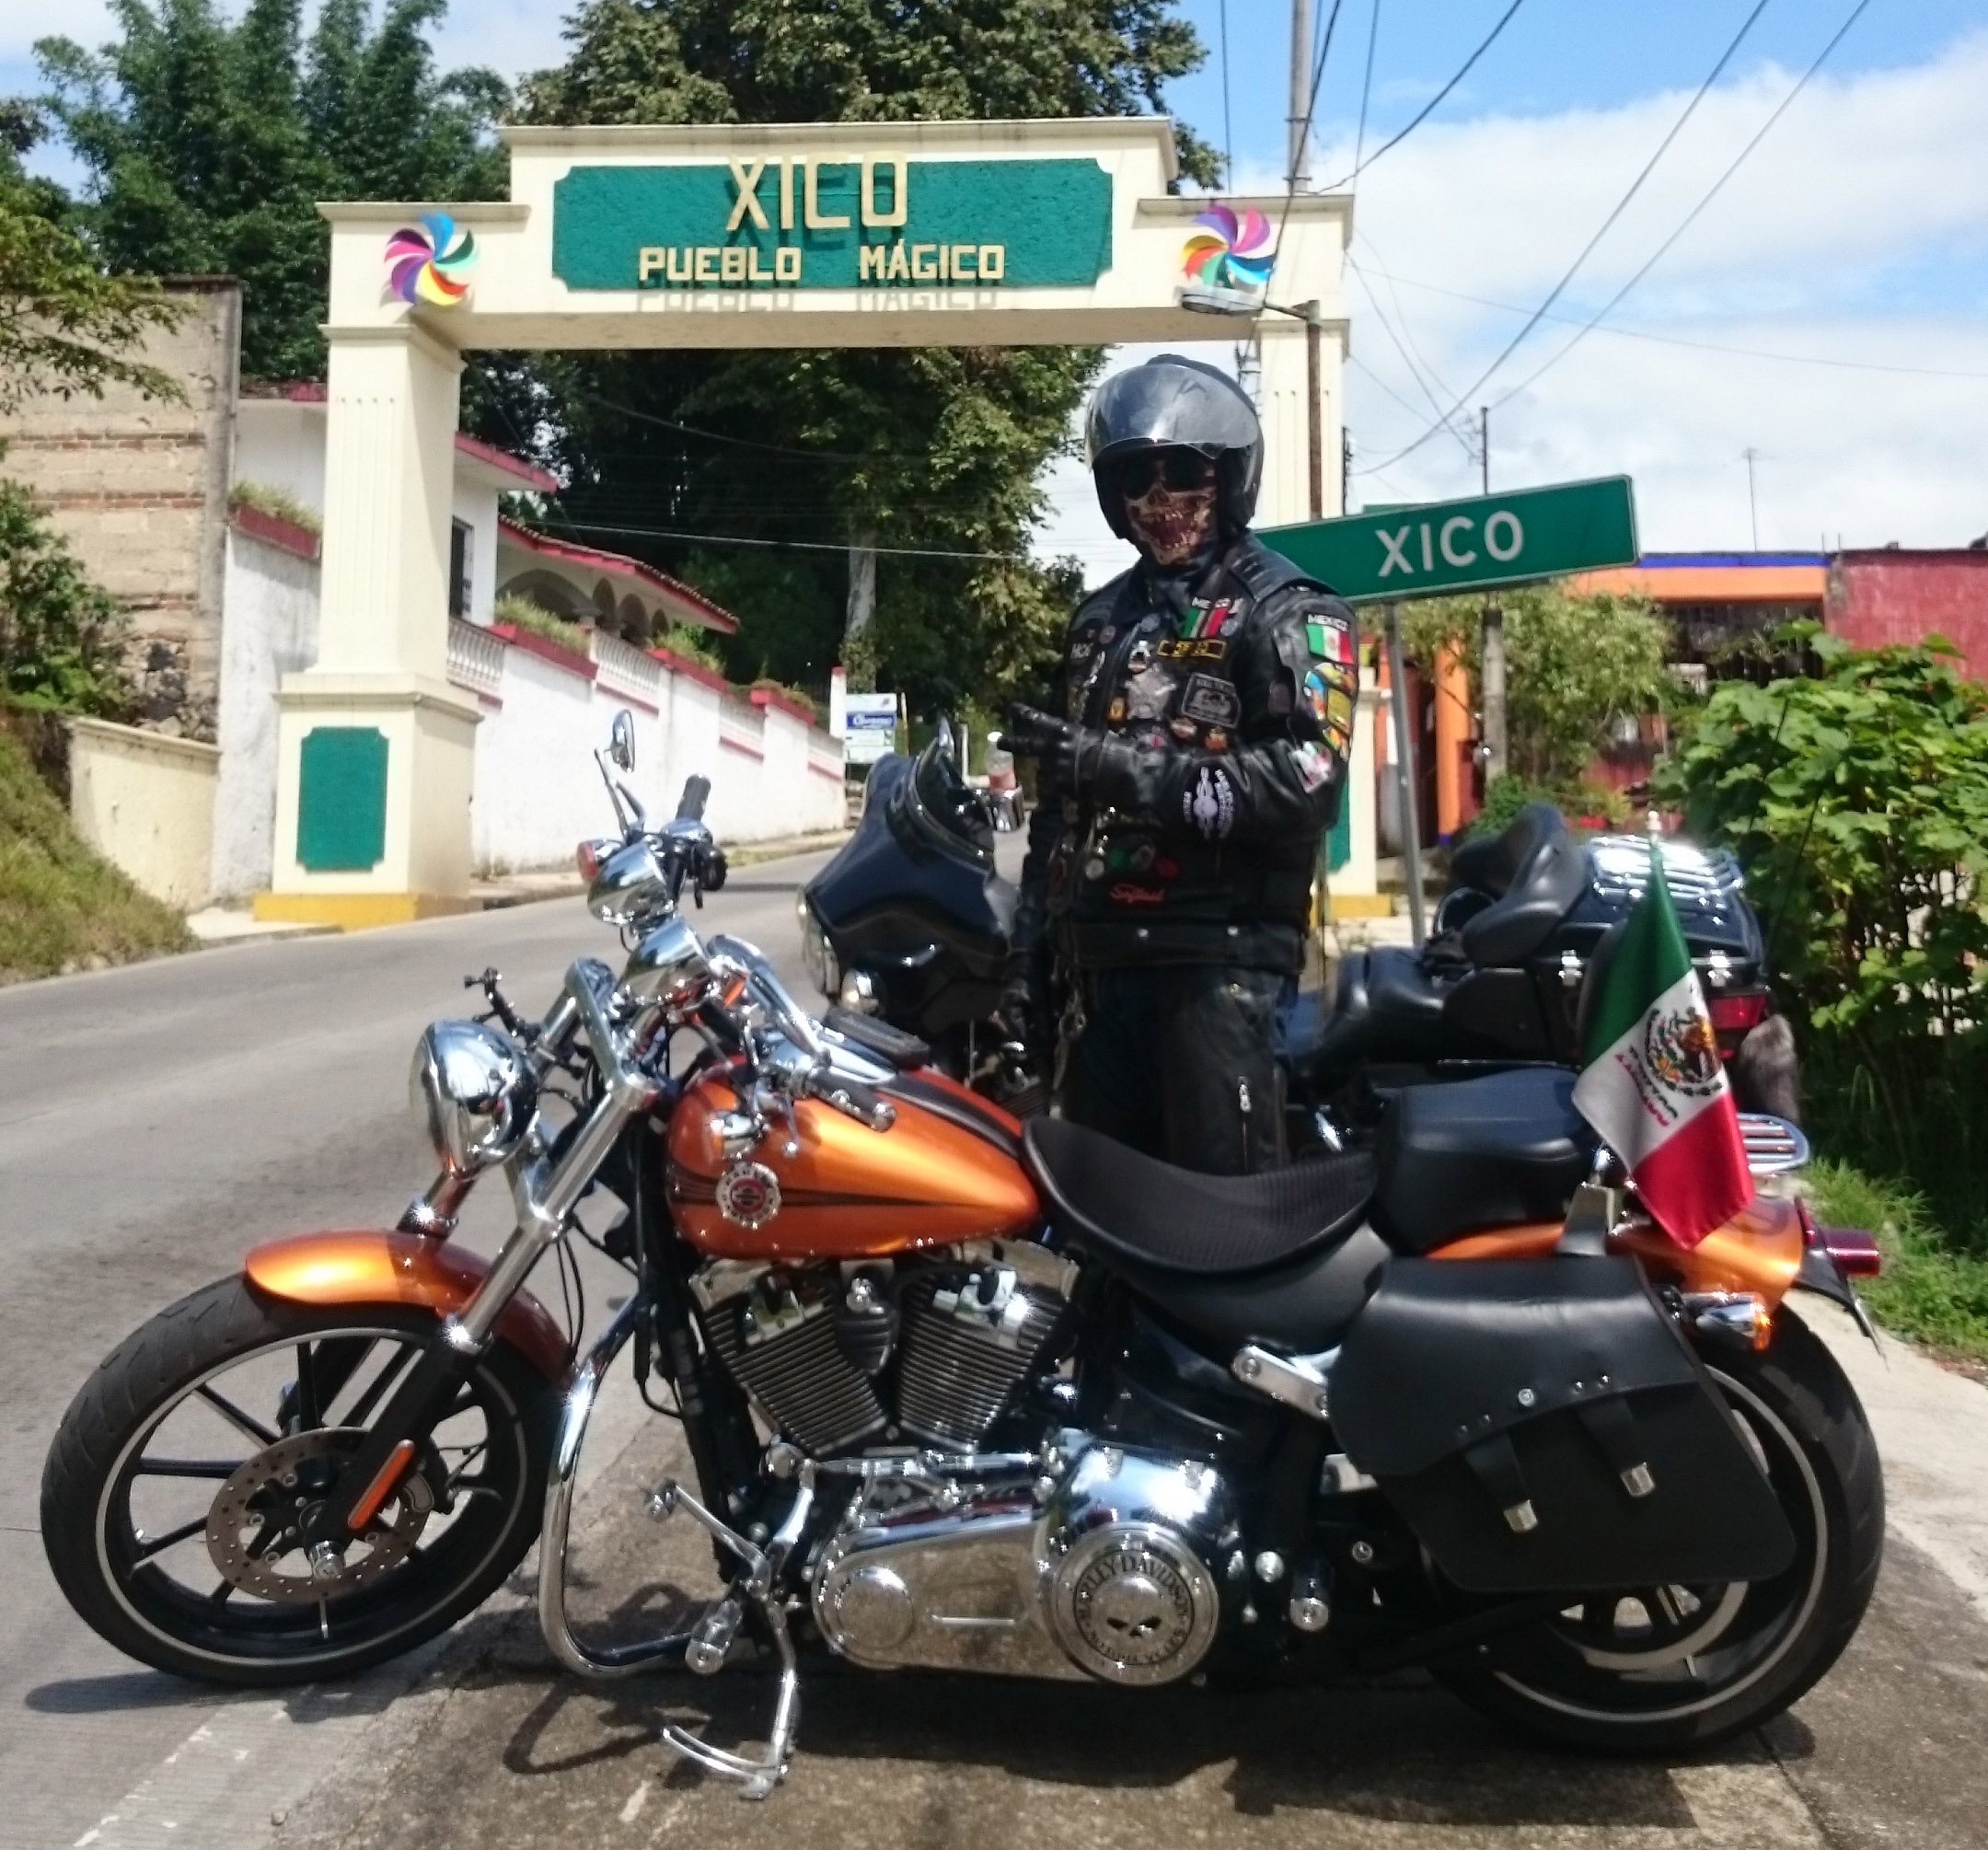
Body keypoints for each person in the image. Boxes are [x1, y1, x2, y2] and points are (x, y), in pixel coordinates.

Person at [1001, 354, 1358, 1174]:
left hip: (1216, 970)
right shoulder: (1100, 622)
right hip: (1099, 971)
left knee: (1216, 1225)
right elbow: (1060, 813)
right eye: (1135, 479)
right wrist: (1029, 962)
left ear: (1228, 478)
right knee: (1102, 1218)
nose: (1159, 502)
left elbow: (1309, 781)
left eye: (1183, 475)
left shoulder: (1290, 610)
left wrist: (1124, 770)